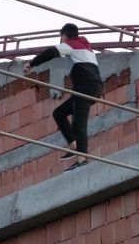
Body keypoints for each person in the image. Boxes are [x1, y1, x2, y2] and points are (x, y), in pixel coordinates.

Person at [24, 23, 104, 172]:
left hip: (85, 87)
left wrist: (31, 63)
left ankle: (82, 159)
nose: (60, 41)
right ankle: (74, 146)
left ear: (64, 36)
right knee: (59, 113)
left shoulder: (70, 45)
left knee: (79, 123)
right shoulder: (86, 48)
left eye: (61, 38)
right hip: (92, 87)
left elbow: (52, 52)